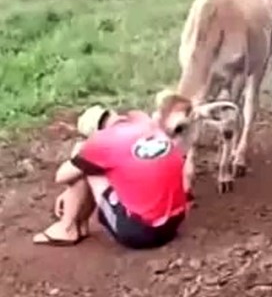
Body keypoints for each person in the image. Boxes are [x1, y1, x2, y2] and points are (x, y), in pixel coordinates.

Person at [32, 105, 189, 249]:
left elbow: (61, 176)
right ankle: (81, 223)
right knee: (115, 167)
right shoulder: (145, 123)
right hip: (173, 225)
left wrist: (82, 151)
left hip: (141, 234)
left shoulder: (101, 142)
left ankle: (67, 228)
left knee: (85, 163)